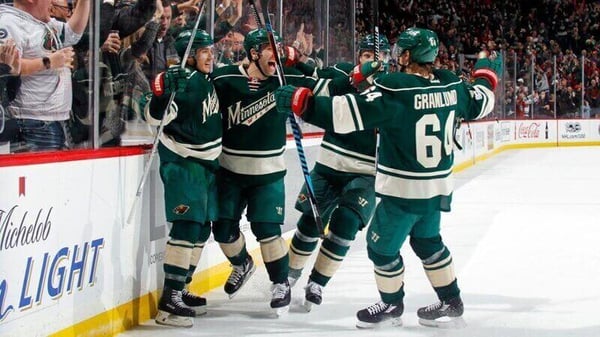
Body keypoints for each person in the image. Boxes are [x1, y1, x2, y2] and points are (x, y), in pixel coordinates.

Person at [275, 27, 501, 329]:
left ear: (407, 55)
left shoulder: (395, 89)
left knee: (380, 247)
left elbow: (345, 114)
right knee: (428, 242)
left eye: (400, 51)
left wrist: (303, 103)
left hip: (403, 192)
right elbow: (483, 99)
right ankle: (452, 299)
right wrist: (485, 72)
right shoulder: (452, 86)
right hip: (438, 189)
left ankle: (392, 304)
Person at [210, 28, 348, 316]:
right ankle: (242, 263)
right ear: (252, 54)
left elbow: (330, 83)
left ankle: (279, 283)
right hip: (229, 171)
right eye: (270, 48)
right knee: (222, 230)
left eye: (279, 48)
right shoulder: (224, 78)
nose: (278, 54)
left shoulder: (286, 78)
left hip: (268, 172)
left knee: (267, 230)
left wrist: (300, 60)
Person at [286, 34, 391, 312]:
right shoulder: (342, 73)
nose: (371, 62)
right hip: (329, 165)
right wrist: (292, 57)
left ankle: (317, 282)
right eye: (367, 56)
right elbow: (319, 81)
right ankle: (288, 276)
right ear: (359, 57)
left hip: (366, 173)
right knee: (309, 223)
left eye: (376, 57)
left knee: (345, 223)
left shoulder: (392, 87)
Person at [146, 29, 221, 328]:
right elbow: (154, 118)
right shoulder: (182, 80)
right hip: (183, 163)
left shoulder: (204, 78)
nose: (210, 55)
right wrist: (161, 95)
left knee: (201, 228)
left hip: (204, 166)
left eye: (211, 50)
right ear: (189, 54)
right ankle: (169, 301)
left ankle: (182, 288)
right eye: (204, 50)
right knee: (188, 226)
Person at [0, 0, 90, 151]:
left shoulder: (43, 22)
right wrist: (48, 62)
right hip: (33, 121)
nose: (52, 2)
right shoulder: (9, 23)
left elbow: (73, 33)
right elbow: (9, 66)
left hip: (57, 118)